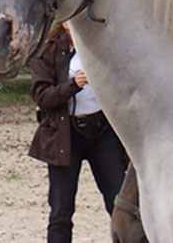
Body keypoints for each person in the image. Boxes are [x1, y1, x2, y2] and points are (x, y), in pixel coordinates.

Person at [29, 22, 127, 243]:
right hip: (65, 135)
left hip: (102, 131)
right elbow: (42, 97)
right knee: (61, 209)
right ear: (64, 24)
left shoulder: (102, 45)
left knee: (119, 203)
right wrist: (74, 85)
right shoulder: (49, 52)